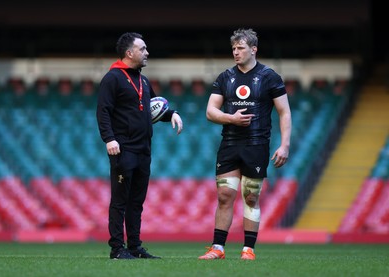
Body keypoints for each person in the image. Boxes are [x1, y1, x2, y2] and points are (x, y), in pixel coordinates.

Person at [198, 28, 291, 260]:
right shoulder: (225, 77)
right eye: (234, 49)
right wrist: (231, 119)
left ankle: (248, 249)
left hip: (256, 145)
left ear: (253, 49)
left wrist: (285, 145)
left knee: (250, 196)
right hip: (229, 144)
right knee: (224, 196)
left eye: (240, 48)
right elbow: (210, 111)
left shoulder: (270, 77)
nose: (236, 52)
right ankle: (217, 248)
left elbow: (284, 112)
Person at [96, 32, 183, 259]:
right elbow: (103, 112)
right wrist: (109, 139)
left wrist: (171, 114)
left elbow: (155, 108)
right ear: (129, 52)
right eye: (142, 49)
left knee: (136, 202)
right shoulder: (112, 78)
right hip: (123, 149)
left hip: (144, 150)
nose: (147, 53)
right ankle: (117, 249)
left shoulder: (143, 80)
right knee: (120, 201)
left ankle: (134, 247)